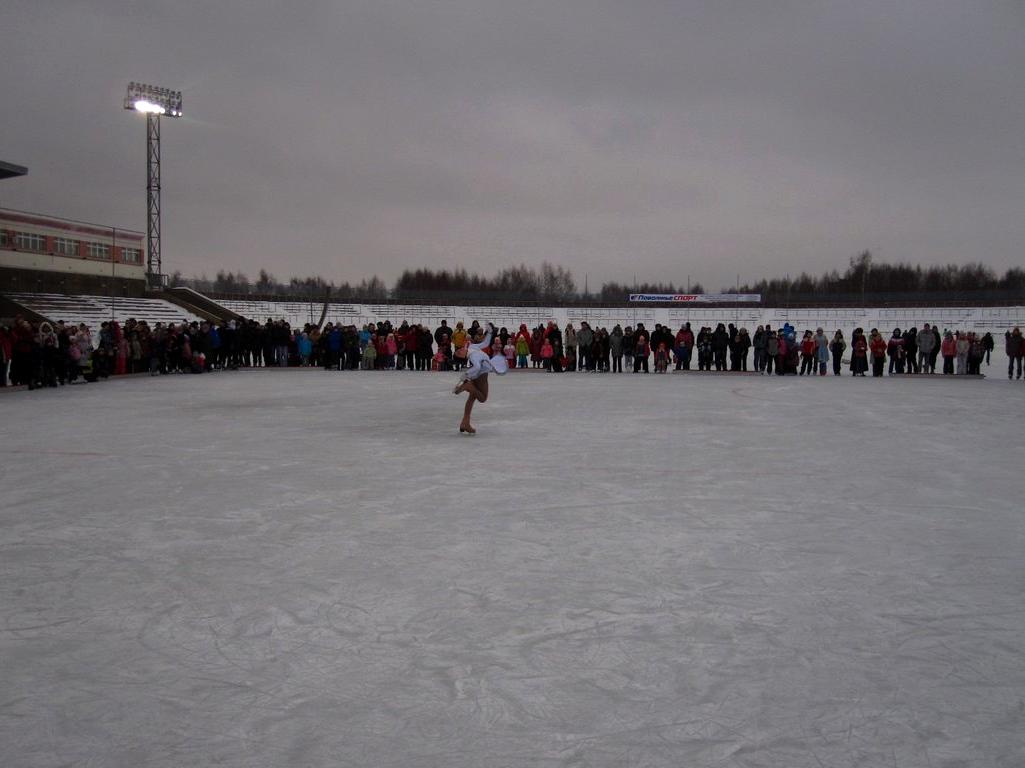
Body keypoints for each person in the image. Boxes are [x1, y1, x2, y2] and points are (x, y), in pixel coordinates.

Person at [453, 323, 507, 434]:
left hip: (476, 375)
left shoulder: (472, 347)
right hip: (481, 375)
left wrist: (490, 332)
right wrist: (466, 375)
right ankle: (468, 386)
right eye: (458, 354)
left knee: (472, 398)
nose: (460, 350)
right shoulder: (472, 356)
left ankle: (465, 423)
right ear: (462, 357)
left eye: (458, 350)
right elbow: (477, 366)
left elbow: (486, 343)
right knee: (482, 398)